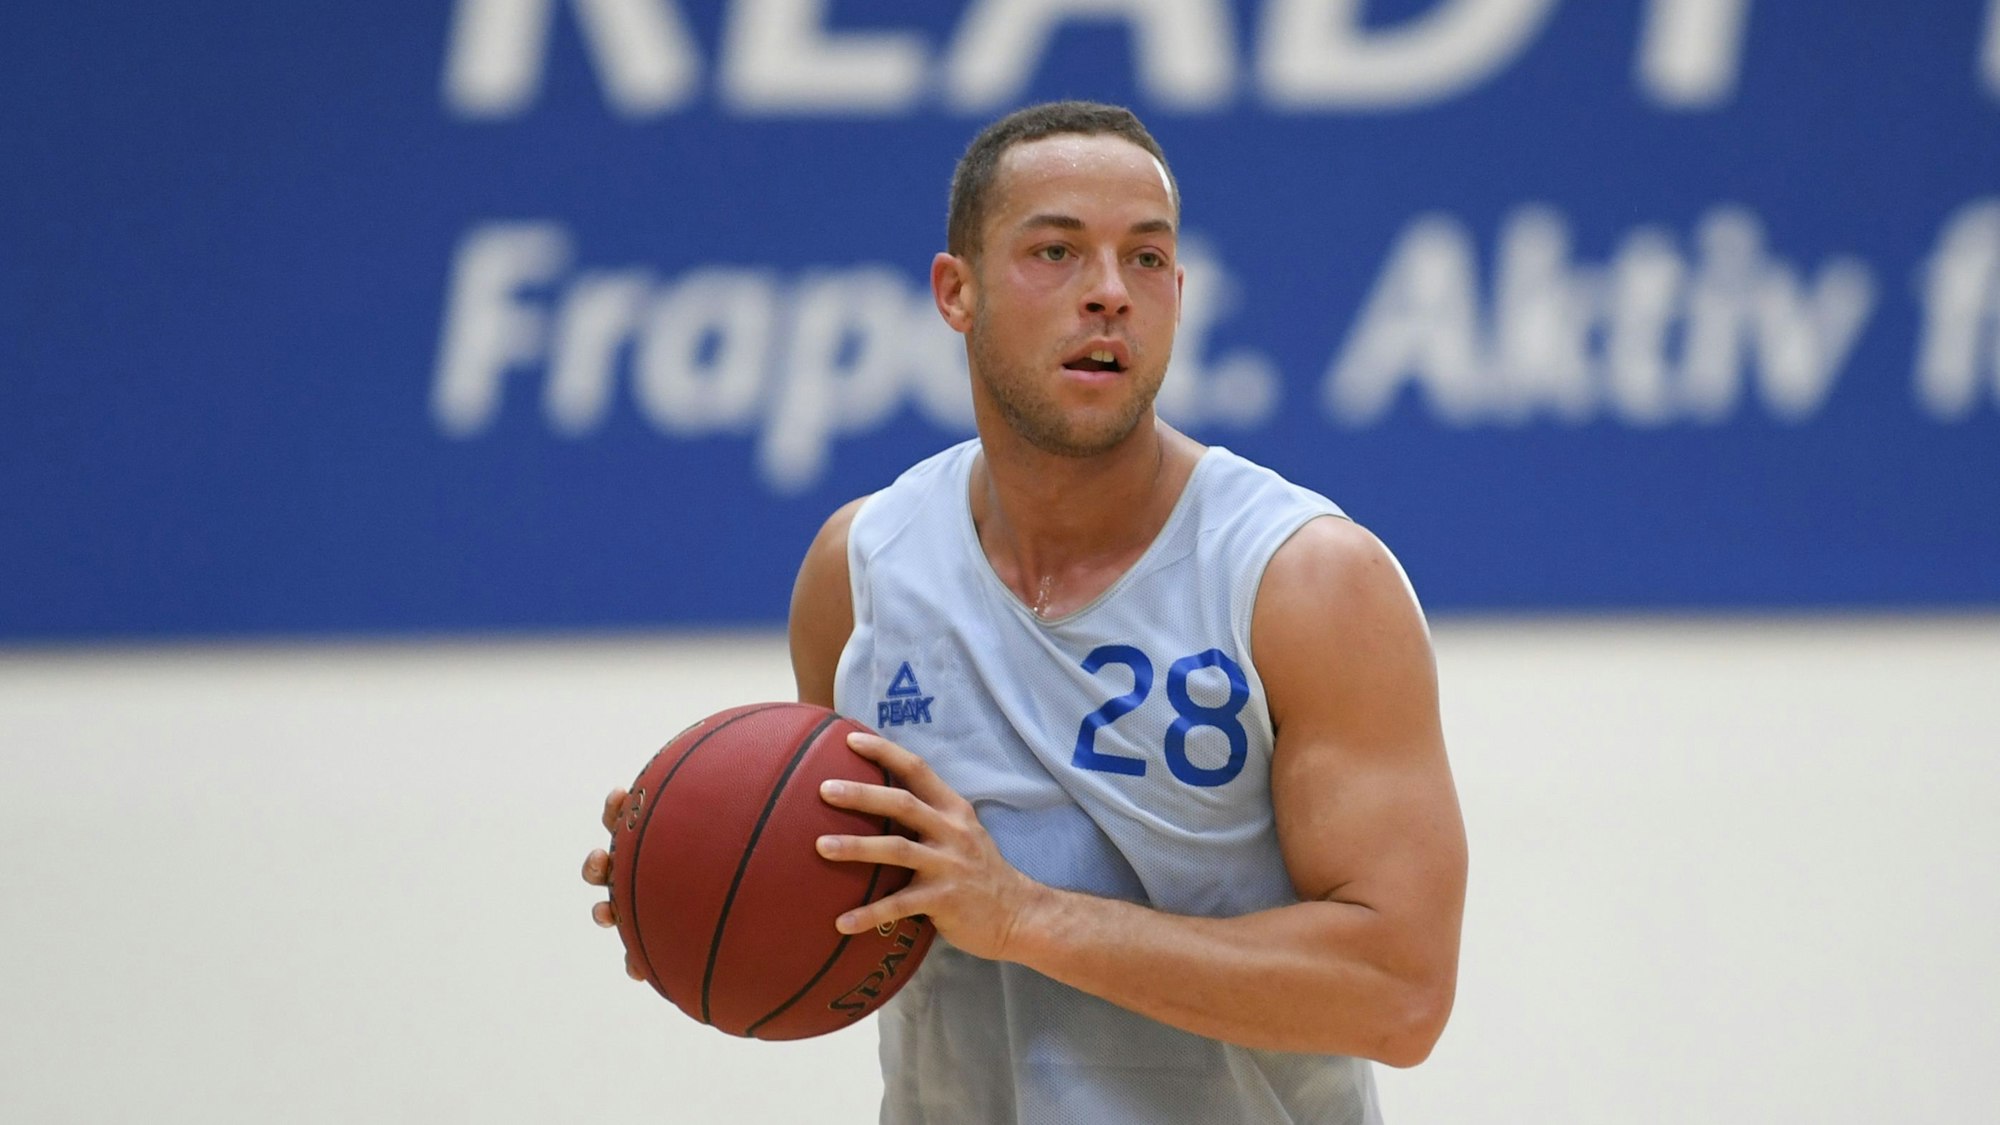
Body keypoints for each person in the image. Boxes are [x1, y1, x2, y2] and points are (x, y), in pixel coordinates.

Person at [584, 100, 1467, 1124]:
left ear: (1177, 293)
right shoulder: (857, 571)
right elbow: (859, 902)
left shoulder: (1306, 581)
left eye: (1145, 260)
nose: (1107, 295)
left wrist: (1024, 917)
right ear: (955, 293)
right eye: (1054, 251)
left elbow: (1399, 996)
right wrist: (695, 879)